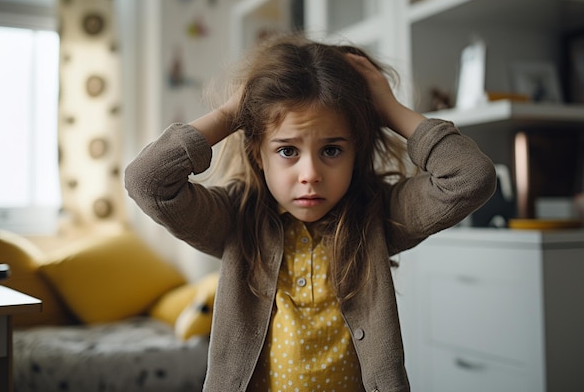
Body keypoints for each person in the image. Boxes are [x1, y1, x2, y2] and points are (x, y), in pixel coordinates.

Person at [125, 34, 496, 392]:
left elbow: (470, 178)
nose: (311, 175)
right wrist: (233, 112)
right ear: (258, 153)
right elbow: (148, 180)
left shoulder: (378, 216)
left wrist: (390, 108)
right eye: (287, 151)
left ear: (356, 152)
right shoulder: (235, 218)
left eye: (332, 151)